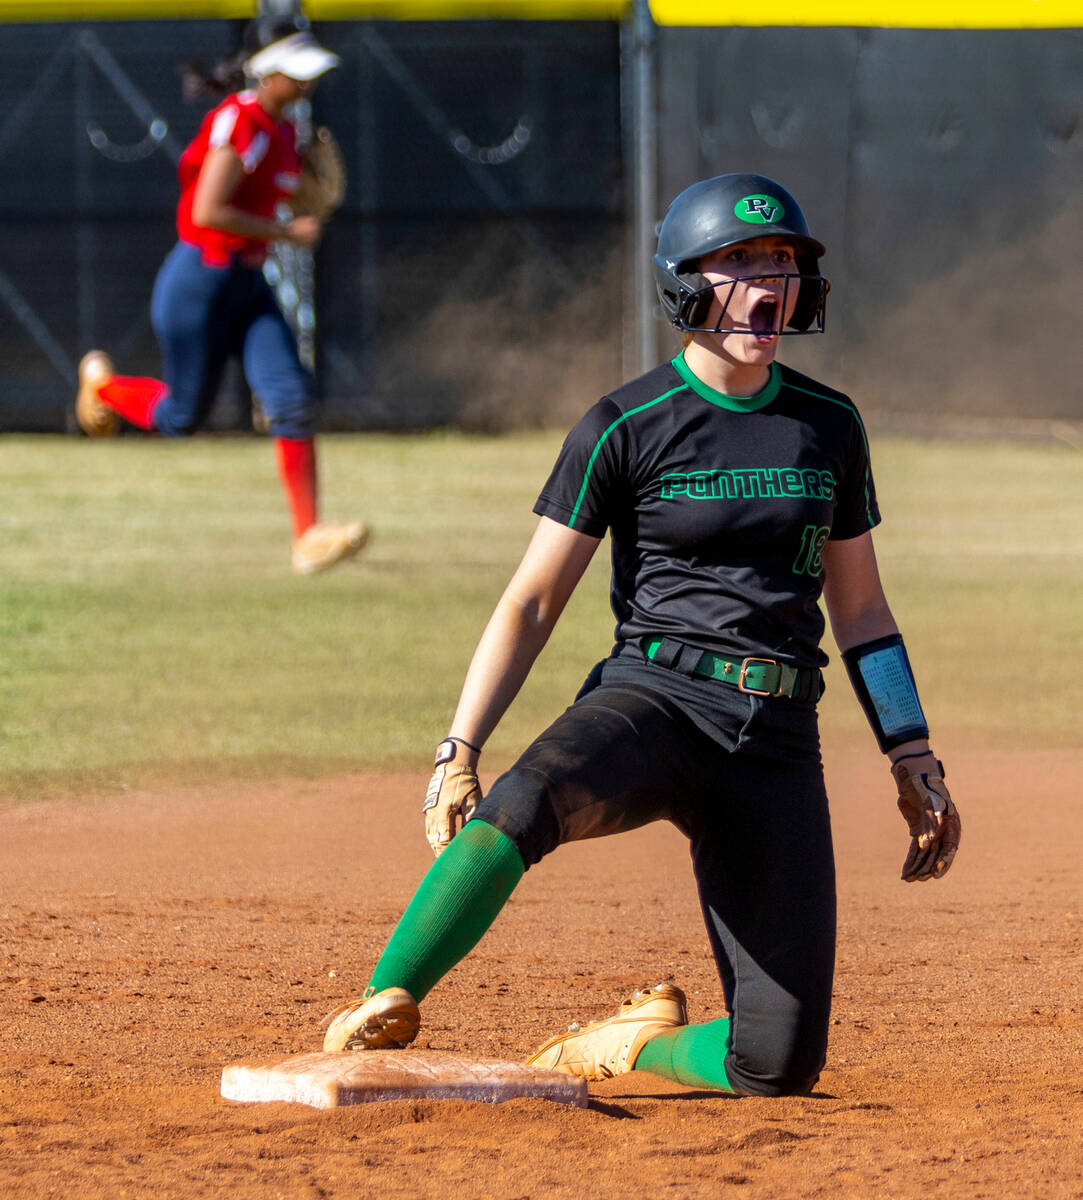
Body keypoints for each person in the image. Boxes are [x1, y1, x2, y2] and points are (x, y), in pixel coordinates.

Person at [320, 173, 961, 1096]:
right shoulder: (625, 424)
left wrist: (911, 752)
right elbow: (532, 600)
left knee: (775, 1064)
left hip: (774, 739)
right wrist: (459, 746)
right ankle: (384, 997)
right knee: (522, 803)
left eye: (781, 260)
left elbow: (861, 610)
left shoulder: (828, 425)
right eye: (738, 260)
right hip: (654, 698)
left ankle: (625, 1046)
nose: (767, 281)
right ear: (686, 285)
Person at [75, 20, 366, 576]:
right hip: (199, 282)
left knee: (291, 396)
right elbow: (208, 211)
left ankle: (308, 536)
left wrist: (299, 198)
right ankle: (105, 387)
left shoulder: (283, 132)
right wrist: (286, 232)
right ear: (268, 71)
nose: (307, 85)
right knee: (181, 417)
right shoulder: (243, 121)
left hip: (246, 283)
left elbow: (277, 193)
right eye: (297, 75)